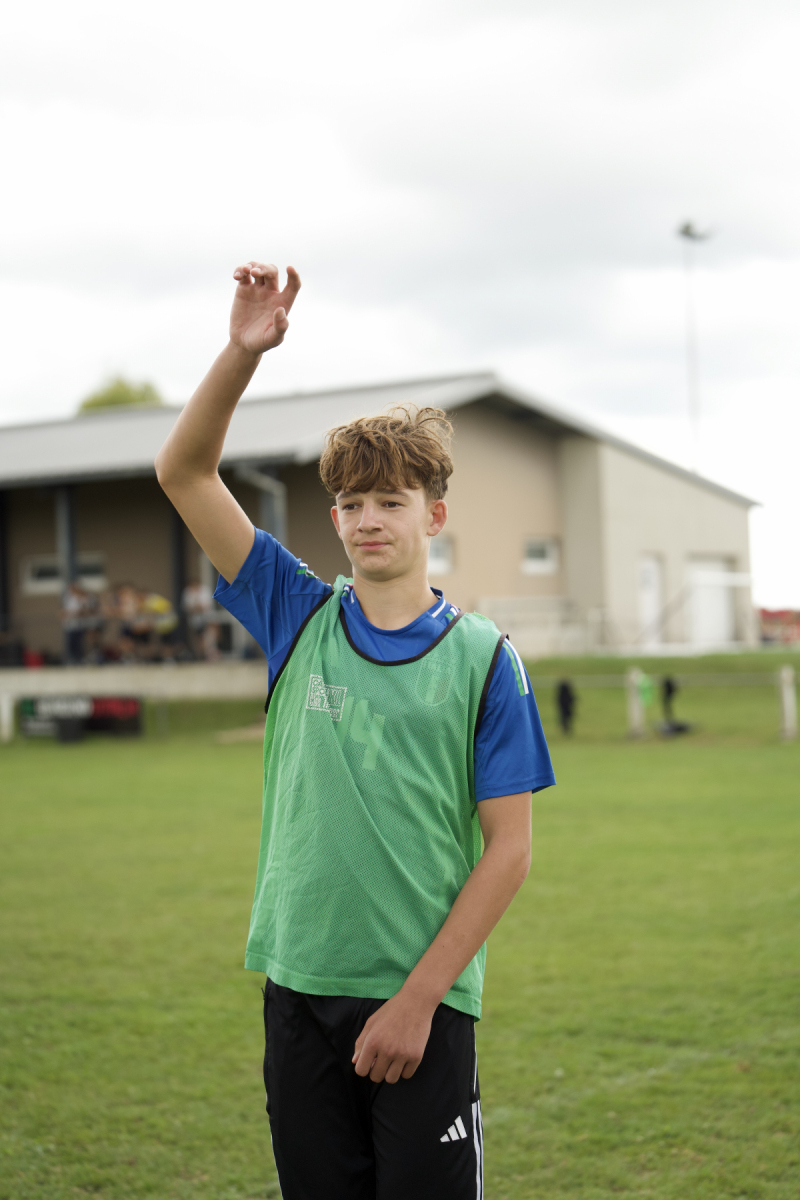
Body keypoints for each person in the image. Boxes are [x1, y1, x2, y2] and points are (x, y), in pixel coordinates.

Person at [154, 260, 555, 1199]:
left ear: (434, 514)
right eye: (351, 503)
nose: (368, 520)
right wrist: (241, 353)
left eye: (391, 501)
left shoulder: (486, 660)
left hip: (422, 1001)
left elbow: (509, 851)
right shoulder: (295, 613)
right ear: (333, 515)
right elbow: (183, 472)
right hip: (298, 991)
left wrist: (418, 1002)